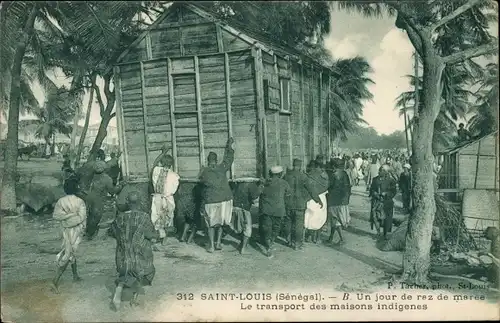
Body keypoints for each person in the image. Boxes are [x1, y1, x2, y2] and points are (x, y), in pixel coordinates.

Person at [109, 191, 162, 311]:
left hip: (123, 256)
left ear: (127, 202)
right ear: (139, 202)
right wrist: (160, 234)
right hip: (140, 255)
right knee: (142, 273)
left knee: (126, 274)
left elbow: (113, 232)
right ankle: (134, 299)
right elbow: (150, 235)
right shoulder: (144, 217)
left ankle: (119, 291)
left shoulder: (120, 217)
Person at [50, 177, 87, 293]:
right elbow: (82, 217)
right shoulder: (80, 201)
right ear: (76, 188)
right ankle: (54, 281)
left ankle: (75, 275)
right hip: (75, 230)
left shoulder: (61, 201)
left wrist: (67, 217)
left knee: (70, 251)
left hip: (64, 229)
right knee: (69, 253)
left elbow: (56, 216)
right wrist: (73, 217)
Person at [199, 137, 235, 253]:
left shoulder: (204, 171)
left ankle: (211, 246)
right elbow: (229, 159)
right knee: (219, 222)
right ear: (216, 160)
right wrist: (229, 146)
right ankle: (218, 243)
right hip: (225, 199)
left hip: (211, 200)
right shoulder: (222, 168)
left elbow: (202, 183)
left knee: (210, 223)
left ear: (207, 160)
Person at [283, 159, 322, 251]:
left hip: (288, 203)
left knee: (288, 222)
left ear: (293, 165)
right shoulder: (304, 177)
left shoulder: (286, 176)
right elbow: (311, 190)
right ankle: (297, 244)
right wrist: (318, 200)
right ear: (300, 166)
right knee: (298, 224)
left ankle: (289, 240)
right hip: (300, 204)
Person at [85, 161, 125, 239]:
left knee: (89, 215)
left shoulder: (91, 176)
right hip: (98, 199)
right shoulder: (106, 178)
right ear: (105, 168)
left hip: (88, 197)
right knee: (96, 216)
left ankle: (88, 231)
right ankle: (90, 234)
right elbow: (112, 191)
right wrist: (120, 186)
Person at [259, 166, 292, 258]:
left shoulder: (265, 182)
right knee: (276, 227)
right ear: (280, 174)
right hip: (279, 210)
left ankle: (268, 245)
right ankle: (271, 242)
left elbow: (259, 193)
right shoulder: (284, 183)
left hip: (266, 210)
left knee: (267, 228)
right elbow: (288, 194)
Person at [150, 153, 180, 248]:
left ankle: (155, 237)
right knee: (167, 218)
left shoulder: (156, 171)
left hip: (158, 197)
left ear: (162, 162)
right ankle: (164, 238)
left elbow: (154, 164)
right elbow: (174, 190)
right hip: (168, 199)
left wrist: (162, 152)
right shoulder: (175, 176)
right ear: (171, 164)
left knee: (156, 217)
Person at [230, 180, 262, 254]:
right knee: (247, 230)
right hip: (244, 209)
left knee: (241, 227)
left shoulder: (238, 183)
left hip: (235, 208)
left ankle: (241, 245)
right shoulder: (251, 185)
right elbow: (254, 199)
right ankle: (243, 249)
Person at [327, 158, 351, 245]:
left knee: (334, 220)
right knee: (335, 220)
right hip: (343, 201)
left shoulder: (333, 175)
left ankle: (342, 239)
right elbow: (348, 187)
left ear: (333, 166)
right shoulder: (344, 174)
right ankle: (331, 237)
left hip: (334, 200)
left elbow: (329, 186)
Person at [370, 165, 397, 240]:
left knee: (387, 219)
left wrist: (386, 194)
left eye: (382, 170)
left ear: (386, 172)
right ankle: (378, 233)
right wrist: (374, 193)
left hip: (387, 202)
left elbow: (393, 192)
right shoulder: (375, 179)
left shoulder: (391, 180)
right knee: (375, 217)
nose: (379, 171)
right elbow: (371, 189)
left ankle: (386, 234)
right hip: (376, 201)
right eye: (380, 170)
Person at [305, 160, 329, 244]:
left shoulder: (308, 175)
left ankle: (309, 237)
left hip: (310, 198)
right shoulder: (324, 175)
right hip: (321, 197)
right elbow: (326, 186)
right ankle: (317, 238)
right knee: (320, 217)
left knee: (309, 217)